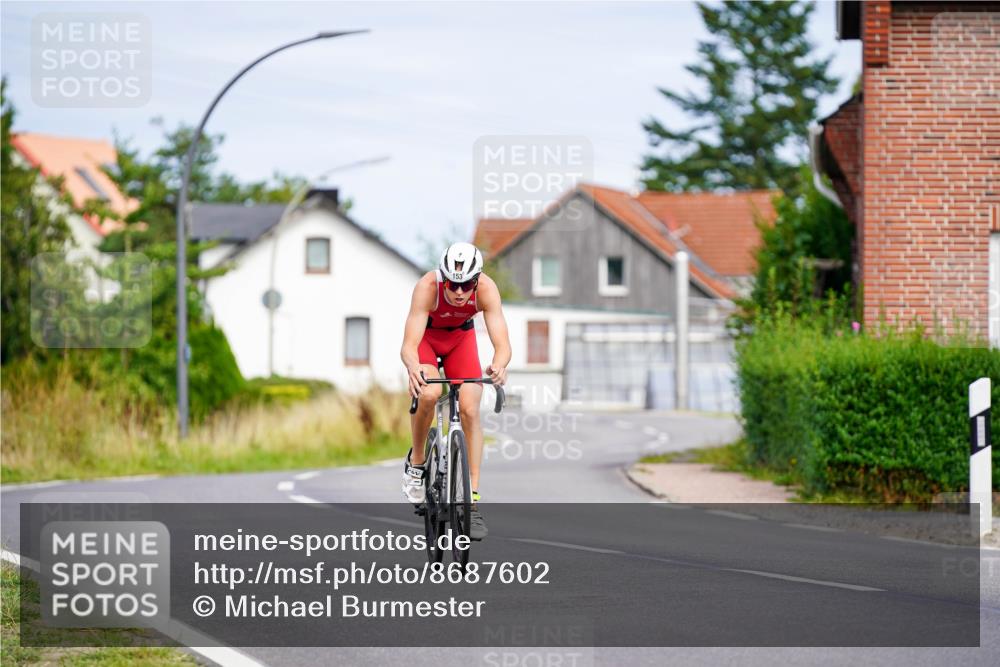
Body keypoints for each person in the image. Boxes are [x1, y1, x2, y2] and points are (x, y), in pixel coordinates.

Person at [400, 242, 511, 540]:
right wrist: (414, 368)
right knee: (430, 394)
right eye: (453, 284)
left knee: (471, 408)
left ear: (476, 281)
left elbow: (503, 345)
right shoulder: (427, 287)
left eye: (466, 285)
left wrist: (499, 366)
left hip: (460, 341)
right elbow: (409, 345)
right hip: (427, 340)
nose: (460, 292)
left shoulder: (486, 289)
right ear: (443, 278)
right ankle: (418, 462)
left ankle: (471, 503)